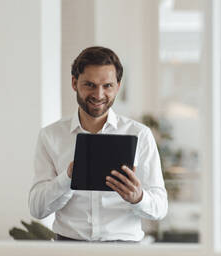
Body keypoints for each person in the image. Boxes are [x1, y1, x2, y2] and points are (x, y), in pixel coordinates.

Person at [28, 46, 167, 242]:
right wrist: (68, 177)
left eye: (107, 86)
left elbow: (160, 208)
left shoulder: (140, 135)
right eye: (90, 85)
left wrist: (138, 197)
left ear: (118, 86)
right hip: (69, 247)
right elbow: (37, 208)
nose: (99, 94)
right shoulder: (50, 136)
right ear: (74, 83)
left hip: (124, 248)